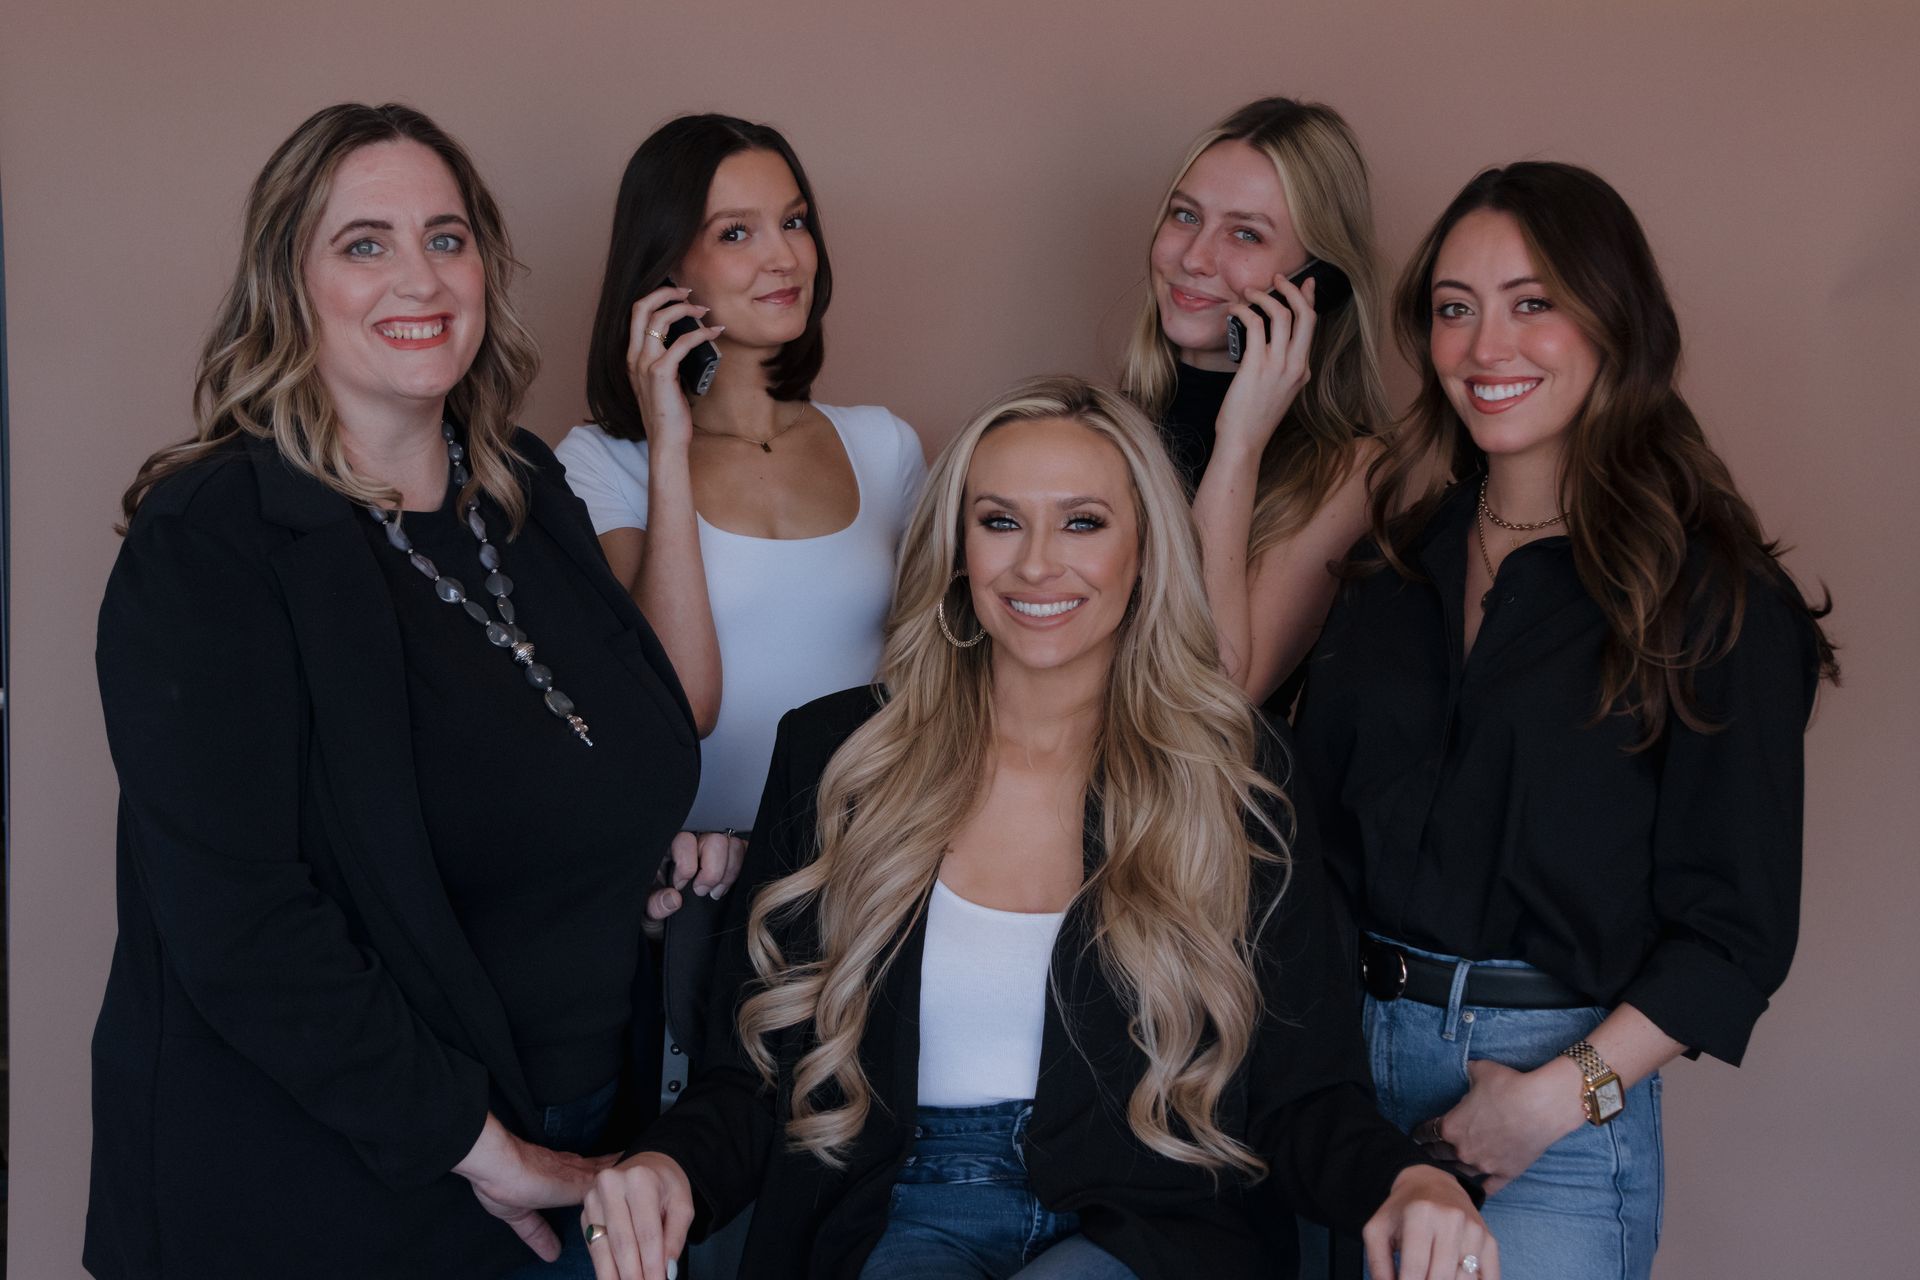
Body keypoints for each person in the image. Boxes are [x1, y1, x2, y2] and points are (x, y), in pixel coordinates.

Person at [573, 377, 1498, 1280]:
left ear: (1144, 550)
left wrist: (1409, 1180)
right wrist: (667, 1167)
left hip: (1150, 1218)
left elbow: (1304, 1097)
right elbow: (751, 1079)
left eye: (1083, 522)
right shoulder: (836, 754)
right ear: (957, 548)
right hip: (900, 1204)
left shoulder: (1234, 772)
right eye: (1001, 521)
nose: (1036, 563)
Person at [87, 103, 700, 1279]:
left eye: (447, 237)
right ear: (290, 282)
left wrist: (647, 854)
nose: (417, 276)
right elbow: (242, 923)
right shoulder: (213, 538)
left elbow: (621, 738)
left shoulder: (523, 484)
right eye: (363, 243)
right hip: (339, 1184)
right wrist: (487, 1149)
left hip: (588, 1150)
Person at [1290, 162, 1838, 1279]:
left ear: (1615, 319)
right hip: (1340, 1094)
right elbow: (1310, 842)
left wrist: (1549, 1102)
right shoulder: (1394, 563)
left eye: (1533, 302)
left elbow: (1734, 933)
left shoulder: (1713, 595)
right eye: (1455, 308)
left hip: (1553, 1108)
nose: (1488, 345)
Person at [556, 113, 925, 882]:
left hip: (858, 872)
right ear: (665, 268)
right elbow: (675, 704)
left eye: (794, 222)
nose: (784, 256)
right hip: (685, 877)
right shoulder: (599, 462)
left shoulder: (885, 446)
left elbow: (936, 690)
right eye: (735, 233)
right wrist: (667, 443)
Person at [1119, 96, 1389, 710]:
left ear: (1319, 282)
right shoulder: (1100, 427)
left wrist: (1238, 442)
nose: (1194, 258)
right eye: (1185, 216)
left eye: (1246, 233)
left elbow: (1215, 688)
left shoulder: (1350, 469)